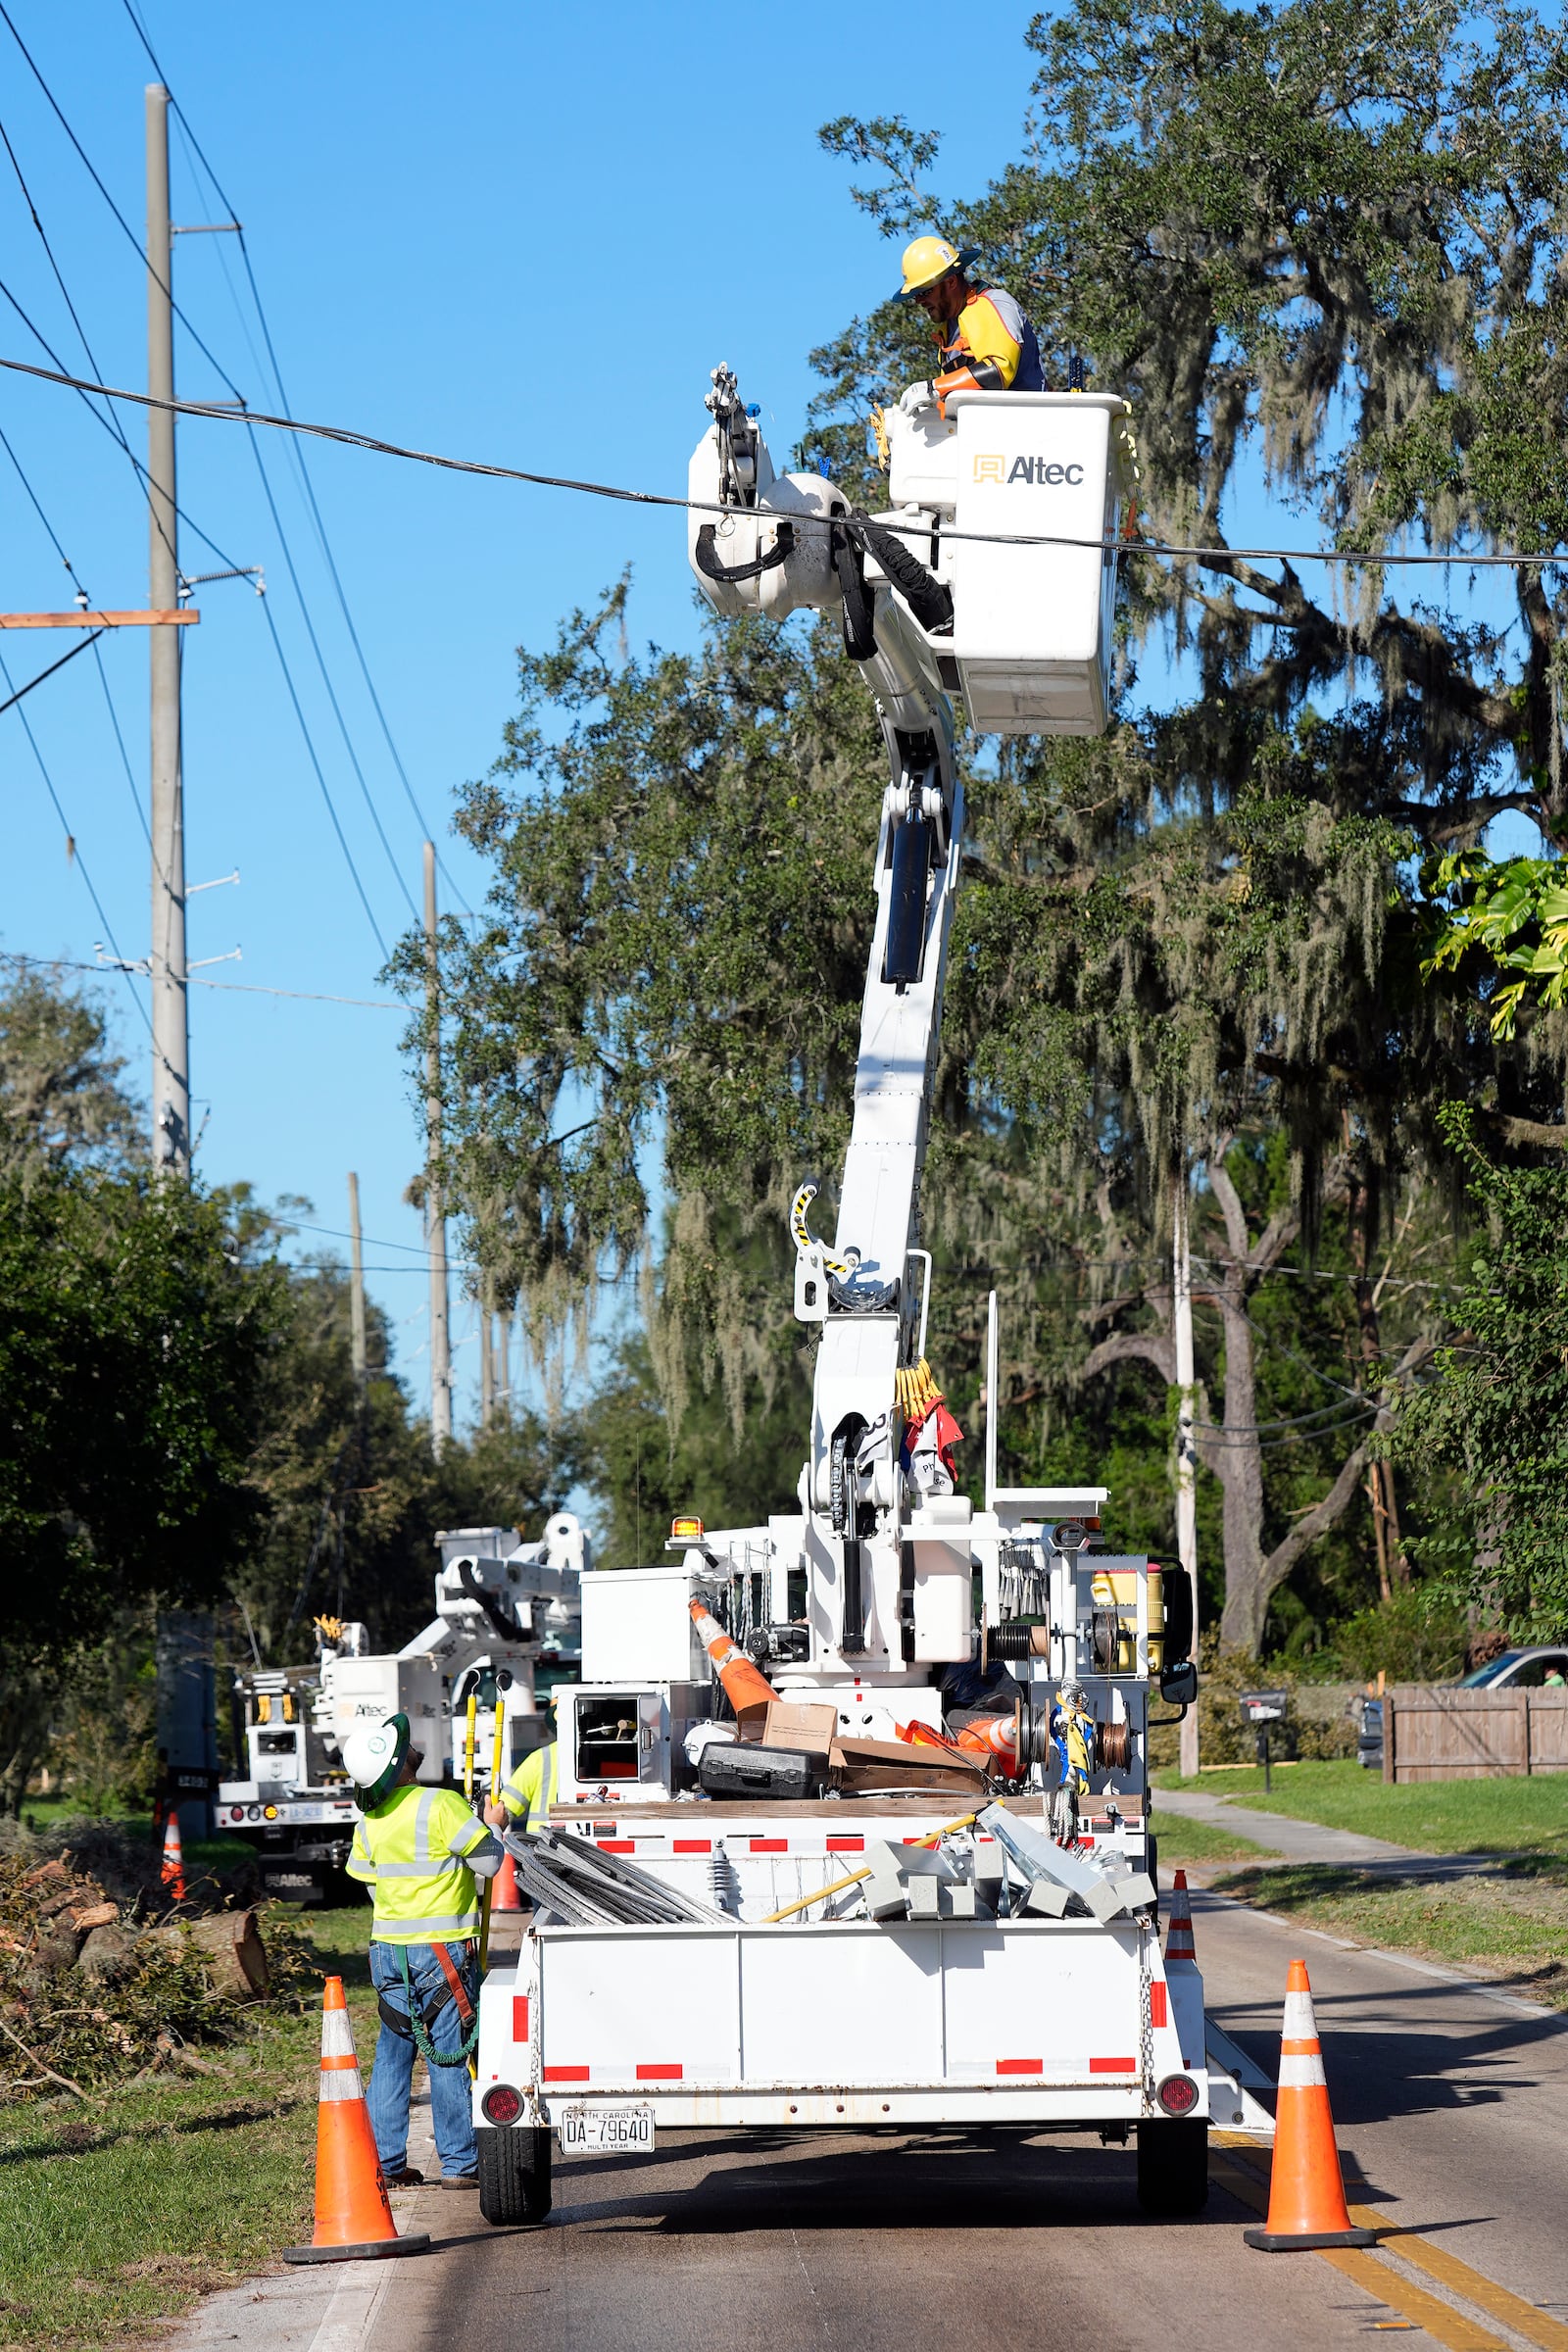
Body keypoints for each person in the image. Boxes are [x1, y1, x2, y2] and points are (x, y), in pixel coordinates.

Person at [342, 1711, 503, 2191]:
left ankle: (386, 2163)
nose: (412, 1747)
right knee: (448, 2057)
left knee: (393, 2058)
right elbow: (490, 1864)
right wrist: (492, 1825)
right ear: (401, 1764)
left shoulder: (370, 1819)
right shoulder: (441, 1805)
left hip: (389, 1952)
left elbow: (371, 1886)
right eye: (404, 1746)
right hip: (442, 1954)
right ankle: (458, 2164)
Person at [893, 235, 1047, 418]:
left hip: (1026, 425)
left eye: (925, 291)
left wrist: (934, 388)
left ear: (950, 282)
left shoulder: (994, 303)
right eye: (916, 294)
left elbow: (997, 372)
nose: (919, 300)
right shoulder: (949, 331)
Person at [485, 1697, 562, 1833]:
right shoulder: (607, 1754)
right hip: (592, 1850)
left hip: (544, 1847)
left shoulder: (541, 1758)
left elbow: (504, 1810)